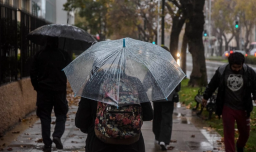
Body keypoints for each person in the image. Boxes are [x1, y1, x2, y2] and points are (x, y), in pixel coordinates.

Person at [75, 66, 153, 152]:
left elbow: (80, 121)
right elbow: (148, 115)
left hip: (100, 144)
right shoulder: (135, 82)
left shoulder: (93, 84)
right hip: (132, 144)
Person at [202, 52, 256, 152]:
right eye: (234, 67)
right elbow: (213, 84)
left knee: (245, 133)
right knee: (228, 134)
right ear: (230, 64)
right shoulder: (222, 70)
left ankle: (240, 145)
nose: (237, 69)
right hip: (227, 107)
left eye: (239, 67)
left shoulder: (248, 72)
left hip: (243, 107)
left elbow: (255, 85)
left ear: (242, 64)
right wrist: (205, 96)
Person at [30, 37, 71, 152]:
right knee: (61, 114)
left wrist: (37, 87)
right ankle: (57, 135)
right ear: (57, 42)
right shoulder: (63, 55)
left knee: (44, 116)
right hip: (59, 91)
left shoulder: (39, 55)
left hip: (43, 91)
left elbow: (33, 73)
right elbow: (71, 71)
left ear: (46, 42)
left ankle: (47, 144)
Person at [142, 46, 181, 151]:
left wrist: (141, 91)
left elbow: (147, 82)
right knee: (166, 118)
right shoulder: (173, 67)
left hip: (157, 97)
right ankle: (164, 140)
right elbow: (178, 85)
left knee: (157, 117)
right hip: (168, 97)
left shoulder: (154, 66)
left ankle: (158, 136)